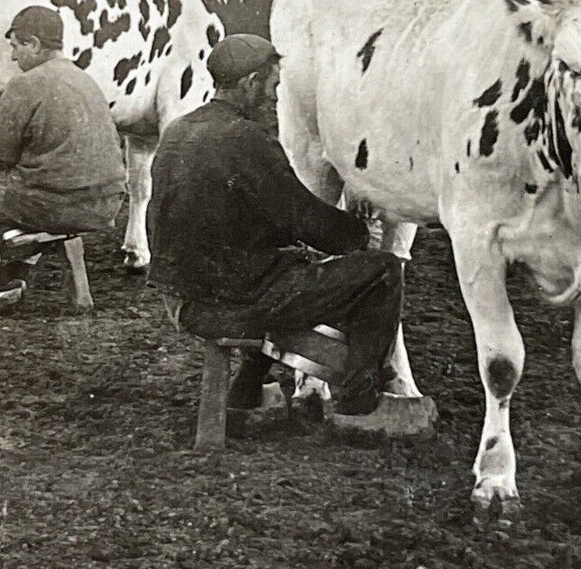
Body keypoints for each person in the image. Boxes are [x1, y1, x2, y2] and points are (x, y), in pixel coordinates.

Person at [147, 32, 403, 422]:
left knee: (274, 268)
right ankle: (360, 400)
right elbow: (301, 217)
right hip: (226, 304)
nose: (275, 98)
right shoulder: (246, 139)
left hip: (181, 294)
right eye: (273, 86)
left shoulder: (179, 131)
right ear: (250, 84)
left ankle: (247, 390)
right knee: (383, 271)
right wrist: (358, 232)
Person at [0, 5, 125, 317]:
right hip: (106, 204)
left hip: (56, 205)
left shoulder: (25, 84)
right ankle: (18, 274)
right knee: (18, 187)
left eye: (16, 47)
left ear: (34, 44)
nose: (13, 57)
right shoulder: (86, 80)